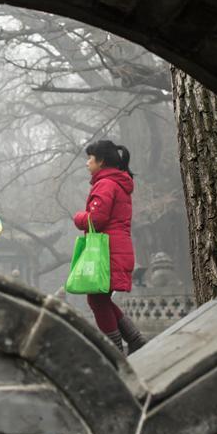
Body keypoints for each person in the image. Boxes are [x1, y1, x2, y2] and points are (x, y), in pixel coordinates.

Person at [72, 140, 146, 354]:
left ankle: (114, 351)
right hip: (117, 248)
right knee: (99, 298)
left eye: (90, 159)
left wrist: (78, 218)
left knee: (96, 299)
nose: (87, 163)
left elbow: (97, 219)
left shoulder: (105, 184)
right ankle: (134, 339)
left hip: (108, 251)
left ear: (101, 161)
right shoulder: (118, 183)